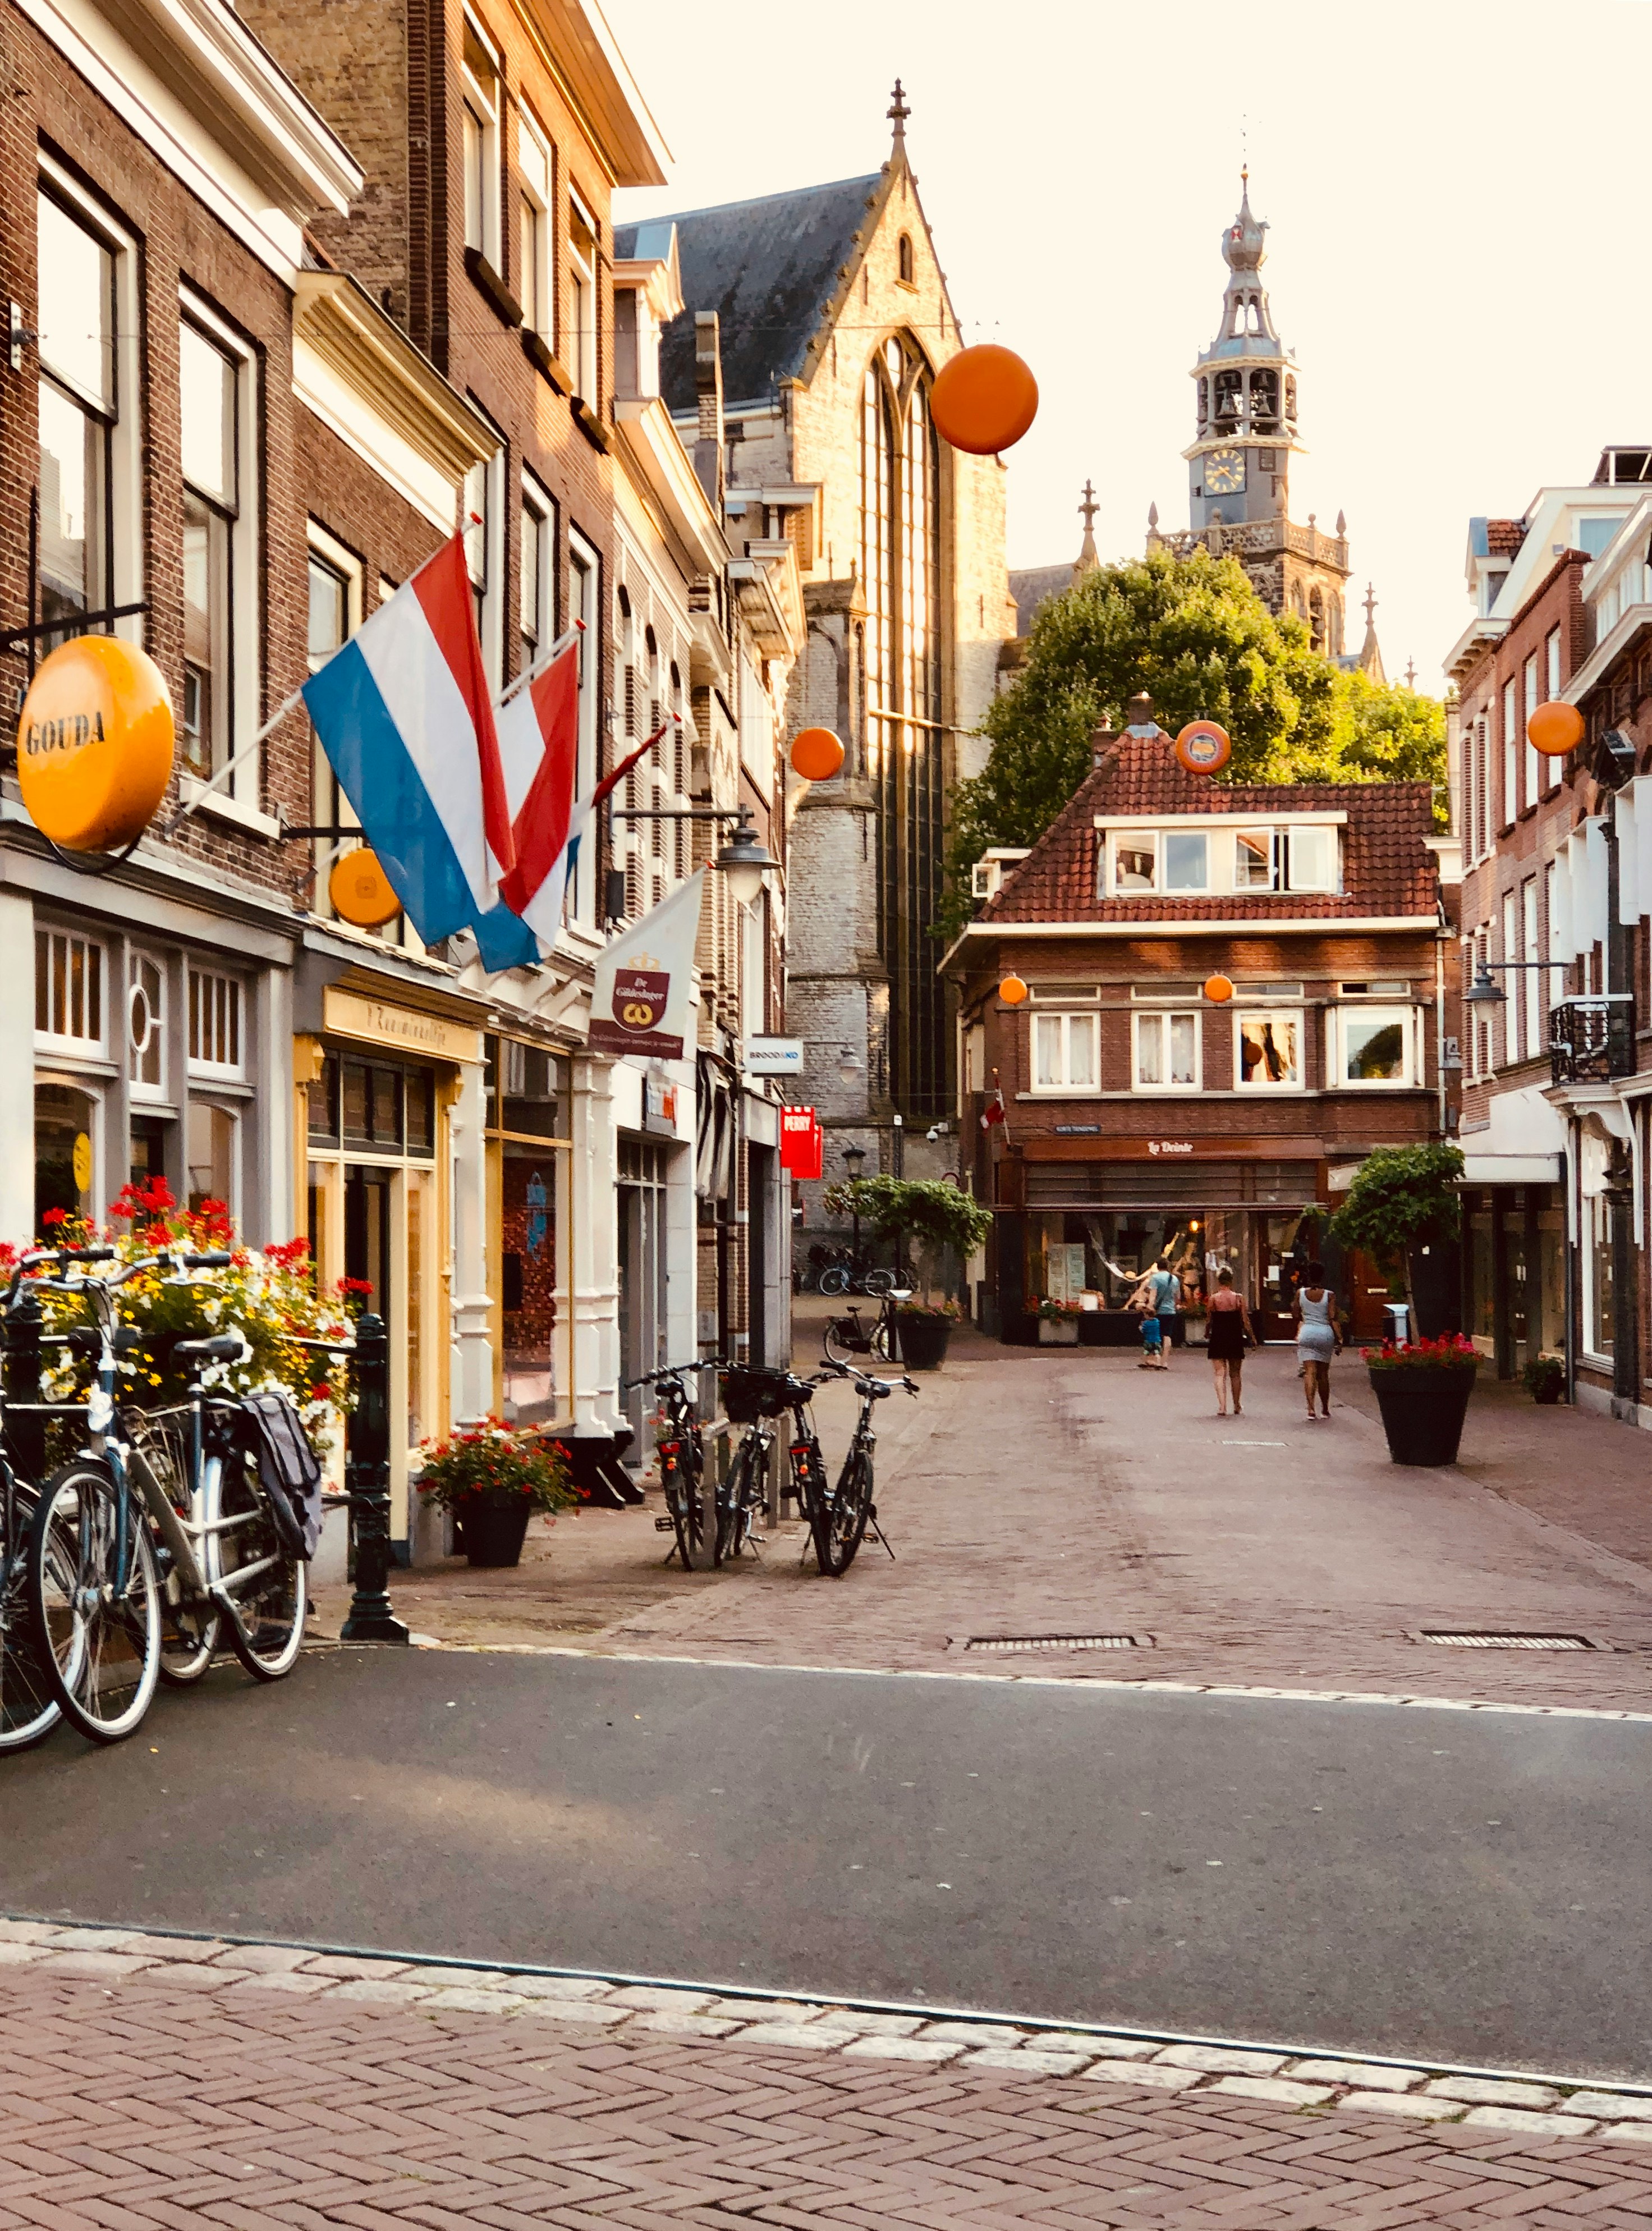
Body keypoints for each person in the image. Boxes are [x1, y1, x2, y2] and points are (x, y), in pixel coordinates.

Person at [1293, 1259, 1341, 1419]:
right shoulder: (1330, 1295)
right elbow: (1333, 1318)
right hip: (1324, 1334)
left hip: (1307, 1333)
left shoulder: (1300, 1293)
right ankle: (1325, 1408)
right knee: (1323, 1375)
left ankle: (1311, 1409)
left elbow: (1295, 1312)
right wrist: (1339, 1339)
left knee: (1309, 1373)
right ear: (1322, 1276)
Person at [1205, 1267, 1253, 1417]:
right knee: (1235, 1373)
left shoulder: (1213, 1299)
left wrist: (1207, 1333)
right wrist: (1252, 1337)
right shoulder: (1239, 1299)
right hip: (1234, 1336)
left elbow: (1209, 1320)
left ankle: (1222, 1406)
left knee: (1220, 1373)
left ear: (1219, 1282)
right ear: (1231, 1281)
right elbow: (1245, 1321)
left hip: (1218, 1337)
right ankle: (1237, 1405)